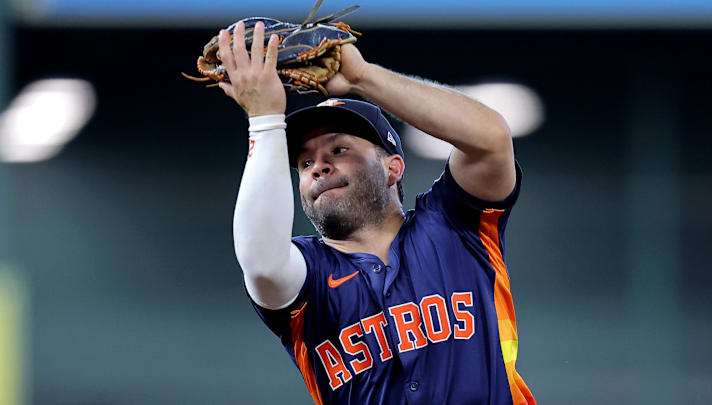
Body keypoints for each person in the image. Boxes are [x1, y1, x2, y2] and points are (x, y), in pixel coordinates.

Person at [220, 20, 536, 405]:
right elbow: (262, 264)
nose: (318, 167)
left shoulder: (456, 226)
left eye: (339, 150)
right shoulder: (311, 273)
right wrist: (265, 122)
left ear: (393, 167)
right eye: (304, 163)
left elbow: (491, 140)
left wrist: (362, 77)